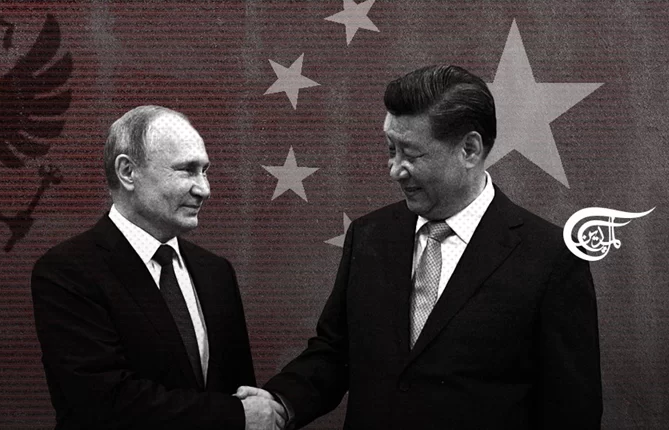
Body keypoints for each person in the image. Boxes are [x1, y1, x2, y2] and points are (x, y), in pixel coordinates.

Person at [238, 65, 602, 429]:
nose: (395, 169)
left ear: (469, 150)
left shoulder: (550, 257)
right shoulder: (369, 235)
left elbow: (572, 410)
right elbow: (334, 352)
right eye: (391, 150)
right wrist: (279, 404)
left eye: (411, 155)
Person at [31, 106, 285, 429]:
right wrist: (236, 417)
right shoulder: (67, 272)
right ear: (127, 172)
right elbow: (104, 405)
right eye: (187, 170)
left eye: (205, 171)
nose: (204, 189)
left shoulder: (216, 273)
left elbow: (237, 388)